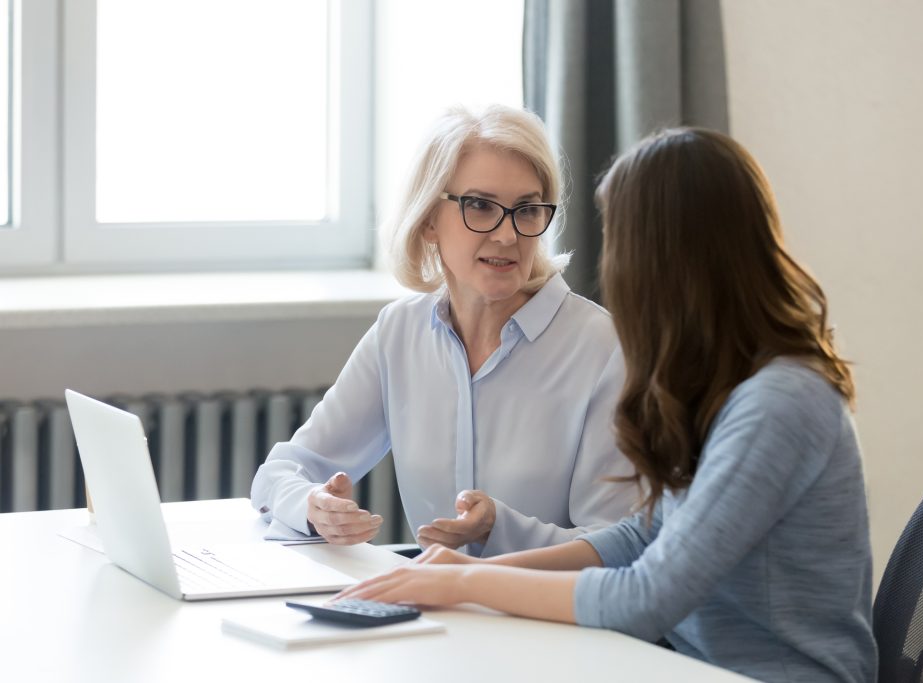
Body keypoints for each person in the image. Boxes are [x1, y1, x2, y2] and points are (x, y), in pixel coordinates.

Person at [335, 127, 879, 683]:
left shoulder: (779, 404)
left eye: (619, 240)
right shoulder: (726, 382)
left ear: (661, 258)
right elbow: (640, 536)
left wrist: (463, 582)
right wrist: (458, 570)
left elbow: (644, 598)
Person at [251, 105, 635, 557]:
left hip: (545, 603)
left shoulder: (602, 348)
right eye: (480, 206)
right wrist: (314, 506)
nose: (507, 235)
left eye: (527, 210)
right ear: (430, 219)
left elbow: (618, 545)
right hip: (432, 596)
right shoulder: (399, 333)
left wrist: (498, 527)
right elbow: (281, 472)